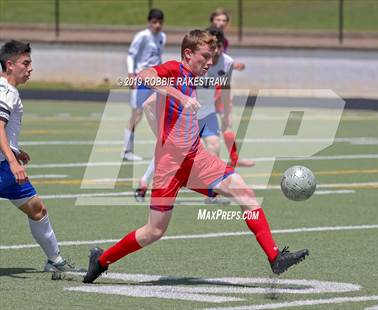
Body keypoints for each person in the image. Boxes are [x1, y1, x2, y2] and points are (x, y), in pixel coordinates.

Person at [83, 30, 309, 283]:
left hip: (196, 159)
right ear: (188, 54)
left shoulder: (194, 78)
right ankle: (101, 261)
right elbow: (145, 76)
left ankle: (275, 257)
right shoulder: (173, 69)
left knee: (245, 193)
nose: (210, 62)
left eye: (212, 57)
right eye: (205, 56)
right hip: (169, 167)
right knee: (153, 231)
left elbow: (150, 106)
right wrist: (177, 100)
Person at [133, 27, 254, 204]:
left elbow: (226, 87)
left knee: (213, 145)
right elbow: (151, 93)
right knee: (171, 151)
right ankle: (145, 180)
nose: (213, 55)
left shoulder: (226, 63)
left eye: (218, 48)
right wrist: (175, 101)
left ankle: (214, 191)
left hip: (207, 112)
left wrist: (227, 111)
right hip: (188, 113)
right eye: (210, 51)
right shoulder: (191, 65)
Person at [0, 40, 84, 272]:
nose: (30, 69)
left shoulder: (5, 90)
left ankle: (54, 261)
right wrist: (12, 161)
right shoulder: (6, 91)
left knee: (38, 210)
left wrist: (15, 150)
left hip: (5, 167)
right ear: (9, 65)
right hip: (4, 167)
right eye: (25, 63)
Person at [122, 8, 166, 161]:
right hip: (141, 79)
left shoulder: (162, 37)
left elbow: (158, 59)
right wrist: (130, 73)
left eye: (160, 22)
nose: (157, 25)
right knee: (137, 113)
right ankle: (126, 150)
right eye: (154, 22)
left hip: (154, 79)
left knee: (161, 111)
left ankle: (164, 148)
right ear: (149, 22)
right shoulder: (142, 36)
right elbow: (131, 55)